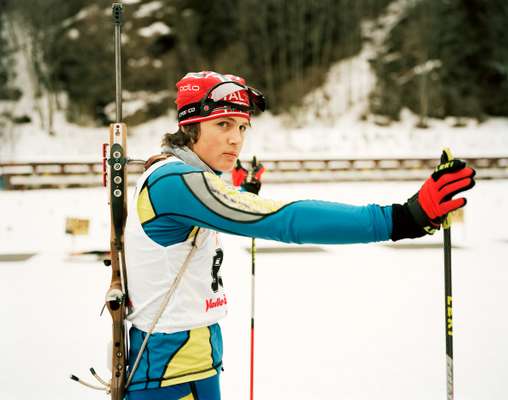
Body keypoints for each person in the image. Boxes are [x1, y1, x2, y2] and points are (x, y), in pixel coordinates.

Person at [124, 71, 475, 400]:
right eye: (223, 124)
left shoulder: (183, 178)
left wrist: (243, 192)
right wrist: (401, 219)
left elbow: (217, 212)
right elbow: (285, 220)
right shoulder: (173, 182)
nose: (236, 138)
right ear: (190, 128)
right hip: (168, 372)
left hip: (193, 362)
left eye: (243, 127)